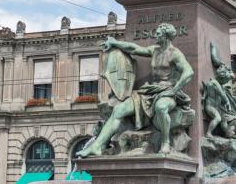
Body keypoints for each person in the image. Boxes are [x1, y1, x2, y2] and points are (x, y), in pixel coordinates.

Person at [77, 23, 194, 156]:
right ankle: (97, 146)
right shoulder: (155, 50)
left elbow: (189, 72)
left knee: (161, 108)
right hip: (150, 90)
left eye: (159, 34)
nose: (156, 35)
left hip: (168, 92)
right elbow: (134, 49)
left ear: (166, 36)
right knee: (119, 109)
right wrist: (115, 43)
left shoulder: (175, 54)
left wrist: (174, 89)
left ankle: (165, 143)